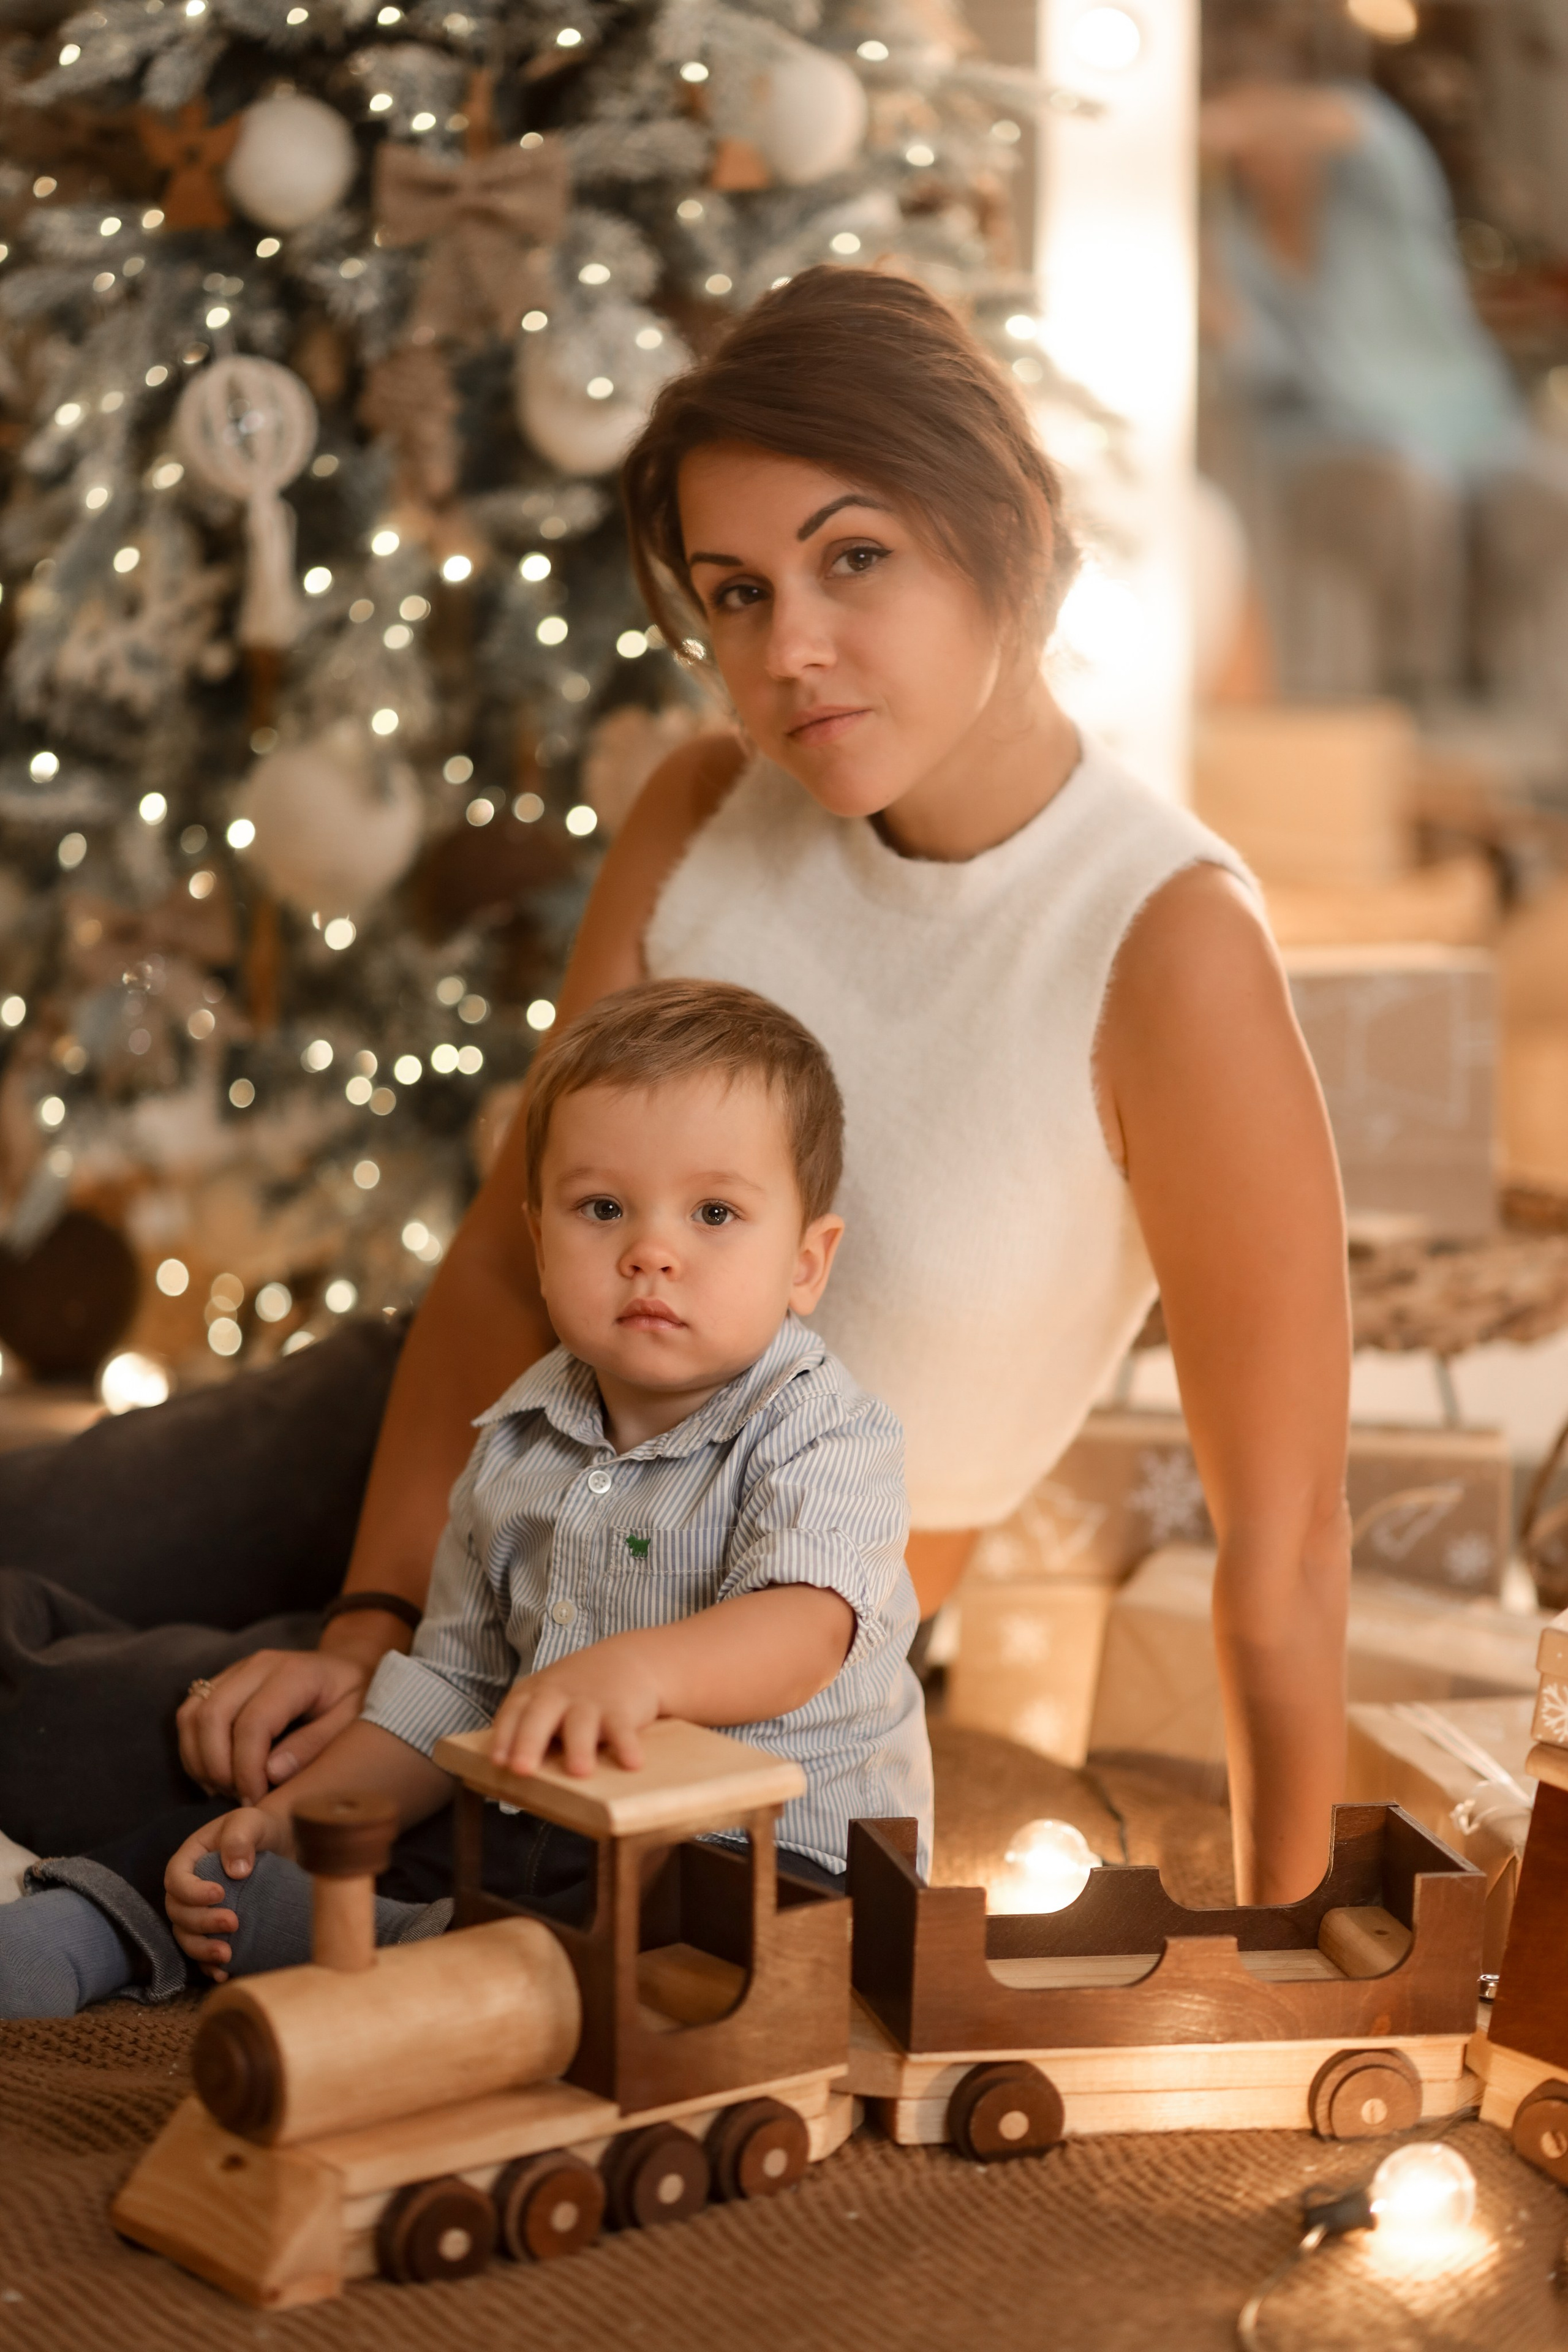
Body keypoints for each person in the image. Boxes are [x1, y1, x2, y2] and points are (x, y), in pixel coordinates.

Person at [1, 268, 1350, 1908]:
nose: (791, 650)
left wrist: (1307, 1941)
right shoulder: (708, 803)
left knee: (128, 1741)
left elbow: (1283, 1545)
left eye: (856, 559)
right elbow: (513, 1253)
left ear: (1010, 532)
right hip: (455, 1438)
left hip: (685, 1647)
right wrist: (373, 1617)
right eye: (734, 592)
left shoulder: (1165, 942)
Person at [0, 981, 930, 2015]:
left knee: (655, 1940)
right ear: (539, 1244)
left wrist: (639, 1674)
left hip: (762, 1857)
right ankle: (91, 1929)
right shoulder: (515, 1441)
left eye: (715, 1214)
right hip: (545, 1827)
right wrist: (306, 1815)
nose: (650, 1251)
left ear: (806, 1263)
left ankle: (402, 1953)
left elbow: (806, 1628)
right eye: (603, 1209)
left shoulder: (821, 1429)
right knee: (240, 1837)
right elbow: (447, 1692)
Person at [1199, 12, 1568, 712]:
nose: (1256, 149)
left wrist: (1223, 121)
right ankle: (1420, 687)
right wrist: (1222, 309)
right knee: (1405, 483)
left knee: (1547, 493)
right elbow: (1263, 370)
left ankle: (1516, 696)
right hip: (1329, 434)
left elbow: (1360, 124)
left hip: (1467, 426)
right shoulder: (1237, 243)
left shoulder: (1378, 192)